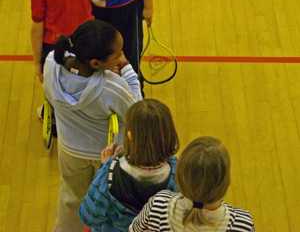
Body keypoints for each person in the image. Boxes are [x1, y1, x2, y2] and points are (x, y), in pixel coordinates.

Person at [43, 19, 142, 232]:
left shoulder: (51, 63)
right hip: (107, 155)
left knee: (71, 200)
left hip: (69, 151)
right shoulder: (111, 86)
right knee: (109, 206)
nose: (121, 56)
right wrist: (128, 71)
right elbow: (137, 113)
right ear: (96, 63)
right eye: (117, 54)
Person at [79, 99, 179, 232]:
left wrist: (104, 166)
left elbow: (88, 216)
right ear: (169, 134)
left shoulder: (108, 174)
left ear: (130, 136)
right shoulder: (178, 174)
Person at [129, 136, 255, 232]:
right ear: (225, 184)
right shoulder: (242, 224)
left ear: (179, 175)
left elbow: (134, 230)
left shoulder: (158, 204)